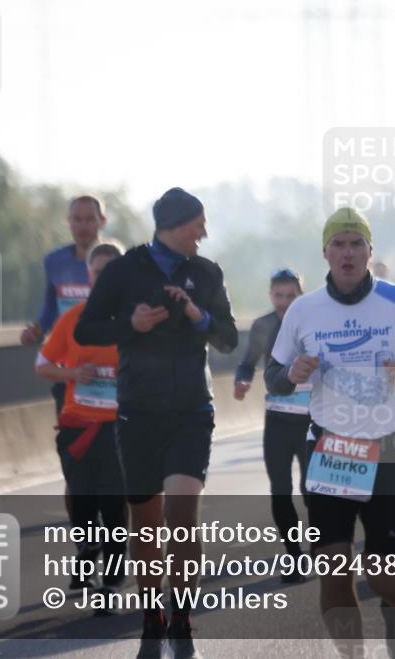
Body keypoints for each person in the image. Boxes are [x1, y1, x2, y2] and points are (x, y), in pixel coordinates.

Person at [265, 207, 395, 659]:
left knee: (382, 573)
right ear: (325, 253)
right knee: (333, 568)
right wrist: (292, 371)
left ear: (370, 251)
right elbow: (273, 376)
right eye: (338, 244)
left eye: (356, 244)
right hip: (331, 447)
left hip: (390, 446)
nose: (347, 253)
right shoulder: (303, 310)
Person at [75, 187, 238, 659]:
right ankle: (152, 619)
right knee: (145, 525)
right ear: (174, 225)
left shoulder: (206, 272)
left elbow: (228, 338)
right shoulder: (125, 270)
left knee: (181, 517)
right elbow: (88, 329)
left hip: (191, 409)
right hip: (138, 411)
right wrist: (132, 325)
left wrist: (198, 315)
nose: (205, 232)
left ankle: (182, 621)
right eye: (198, 224)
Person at [36, 242, 126, 603]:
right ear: (89, 275)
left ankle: (113, 581)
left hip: (119, 427)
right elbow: (42, 366)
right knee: (83, 503)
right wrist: (74, 372)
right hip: (77, 427)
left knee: (115, 505)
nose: (103, 277)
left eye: (110, 271)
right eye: (98, 271)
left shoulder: (135, 320)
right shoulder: (72, 319)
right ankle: (87, 556)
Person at [234, 268, 311, 582]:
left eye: (290, 296)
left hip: (310, 421)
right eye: (278, 296)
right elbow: (247, 362)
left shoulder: (313, 323)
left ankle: (322, 547)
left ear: (300, 296)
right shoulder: (263, 326)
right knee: (280, 491)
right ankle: (294, 556)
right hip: (277, 420)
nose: (284, 302)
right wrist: (241, 380)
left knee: (312, 491)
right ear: (270, 296)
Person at [21, 195, 106, 414]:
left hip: (106, 370)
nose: (83, 226)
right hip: (67, 368)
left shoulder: (115, 263)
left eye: (89, 219)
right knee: (70, 443)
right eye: (77, 219)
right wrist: (36, 331)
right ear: (68, 221)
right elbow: (50, 309)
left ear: (102, 221)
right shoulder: (54, 262)